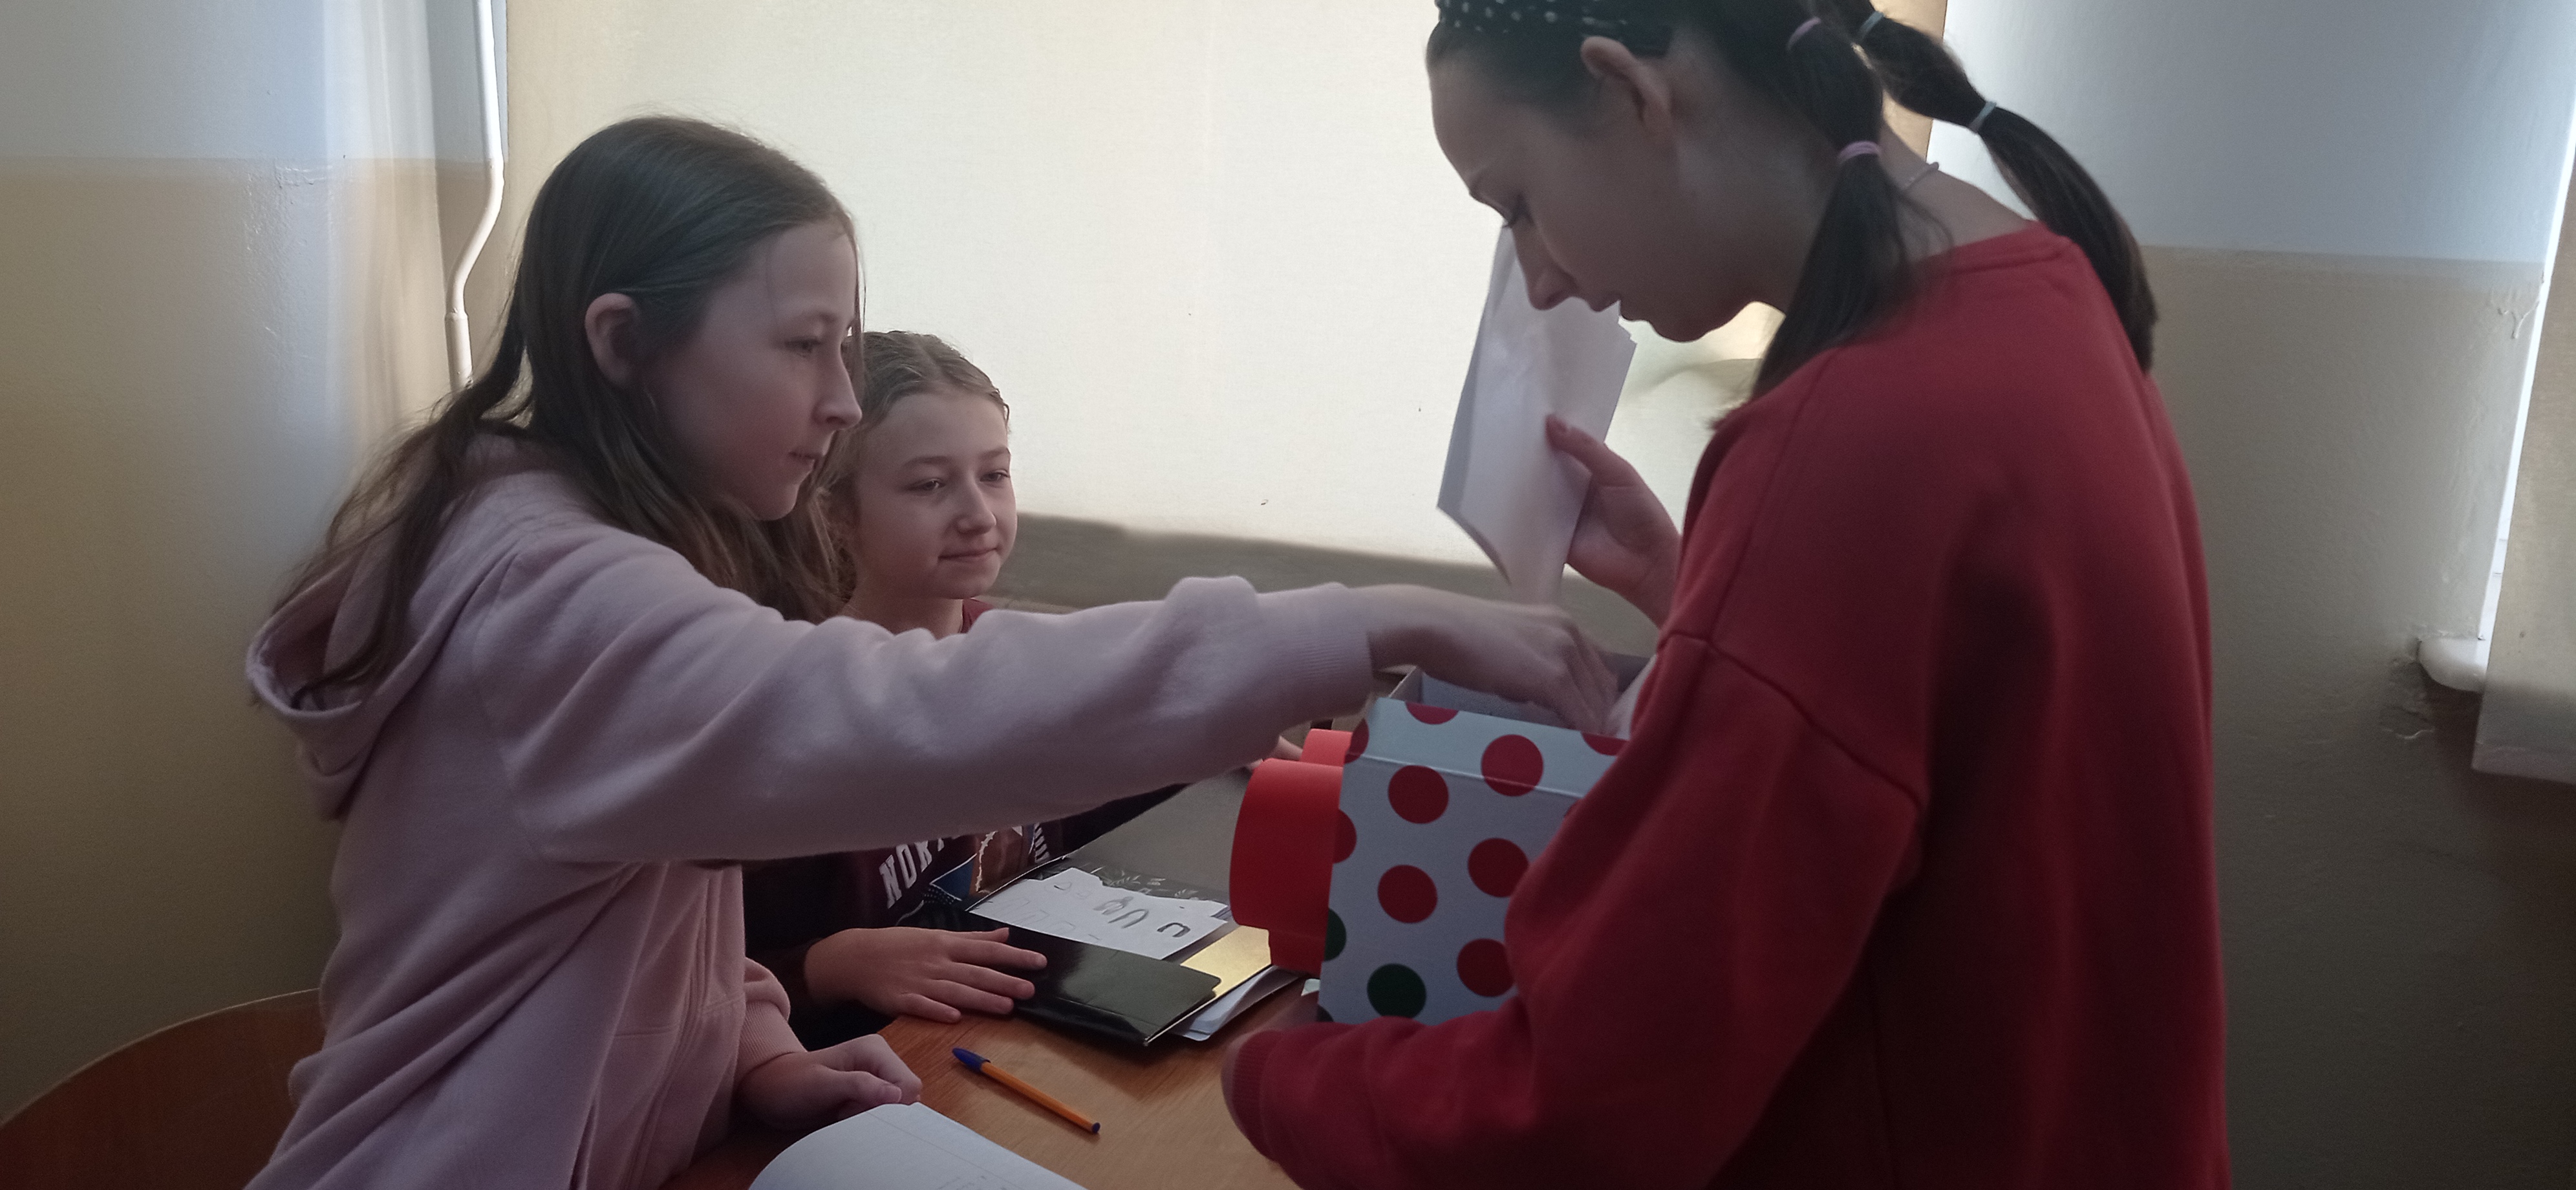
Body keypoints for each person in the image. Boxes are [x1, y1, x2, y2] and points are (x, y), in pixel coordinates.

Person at [244, 115, 1614, 1190]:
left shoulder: (593, 566)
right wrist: (1359, 620)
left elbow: (641, 920)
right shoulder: (548, 605)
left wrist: (752, 1050)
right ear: (624, 344)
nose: (842, 400)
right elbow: (903, 717)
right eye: (805, 347)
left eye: (846, 347)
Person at [1222, 3, 2225, 1187]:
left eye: (1517, 205)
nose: (1538, 281)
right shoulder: (2039, 293)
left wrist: (1268, 1073)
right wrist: (1697, 592)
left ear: (1629, 92)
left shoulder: (1854, 432)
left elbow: (1592, 1106)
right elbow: (1953, 742)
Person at [744, 330, 1173, 1044]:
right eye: (931, 485)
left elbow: (1084, 795)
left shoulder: (1004, 651)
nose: (978, 514)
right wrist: (828, 965)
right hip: (876, 1064)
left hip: (1019, 1029)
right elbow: (691, 985)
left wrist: (1203, 743)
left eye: (994, 475)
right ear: (834, 512)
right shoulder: (793, 720)